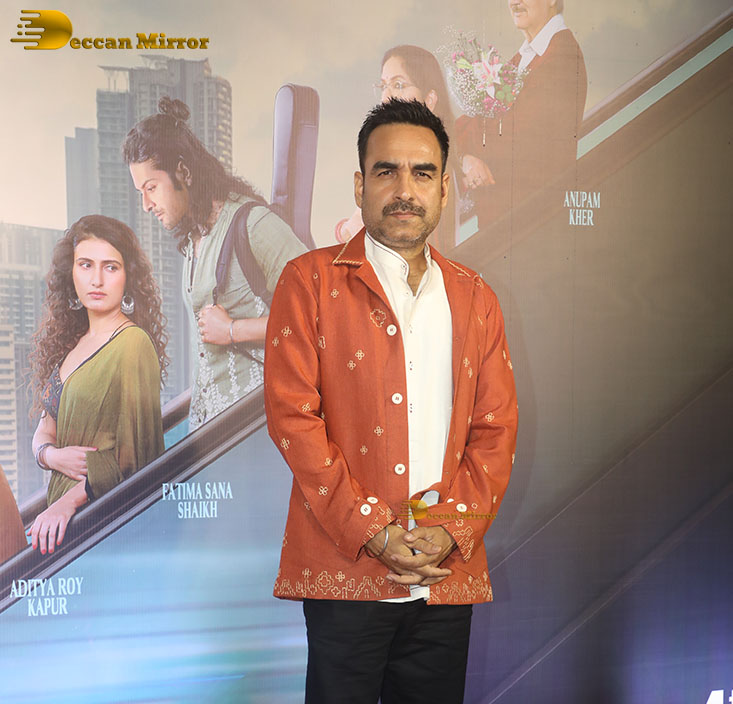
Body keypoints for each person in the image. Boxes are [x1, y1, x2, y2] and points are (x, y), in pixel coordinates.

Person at [265, 98, 518, 704]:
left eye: (421, 172)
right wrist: (376, 533)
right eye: (386, 171)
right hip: (345, 574)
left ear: (444, 188)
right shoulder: (308, 283)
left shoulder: (474, 296)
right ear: (359, 184)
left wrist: (446, 533)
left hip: (443, 578)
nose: (403, 189)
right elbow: (295, 421)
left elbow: (494, 429)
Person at [123, 97, 306, 432]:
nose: (147, 204)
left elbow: (320, 318)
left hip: (260, 431)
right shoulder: (194, 237)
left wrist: (233, 330)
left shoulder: (253, 225)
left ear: (183, 172)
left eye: (151, 188)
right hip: (214, 437)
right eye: (141, 192)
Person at [28, 215, 167, 556]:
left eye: (111, 267)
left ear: (128, 276)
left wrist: (68, 503)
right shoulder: (72, 345)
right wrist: (52, 456)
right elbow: (45, 431)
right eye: (86, 265)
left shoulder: (132, 344)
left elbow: (134, 457)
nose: (97, 280)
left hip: (97, 520)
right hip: (59, 522)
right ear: (71, 273)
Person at [457, 0, 587, 224]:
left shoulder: (560, 56)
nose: (514, 3)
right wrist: (464, 156)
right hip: (508, 217)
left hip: (529, 220)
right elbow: (489, 120)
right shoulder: (528, 55)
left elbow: (508, 135)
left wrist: (452, 135)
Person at [336, 45, 461, 253]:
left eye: (399, 85)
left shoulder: (443, 163)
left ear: (429, 100)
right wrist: (346, 230)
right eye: (383, 86)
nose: (386, 97)